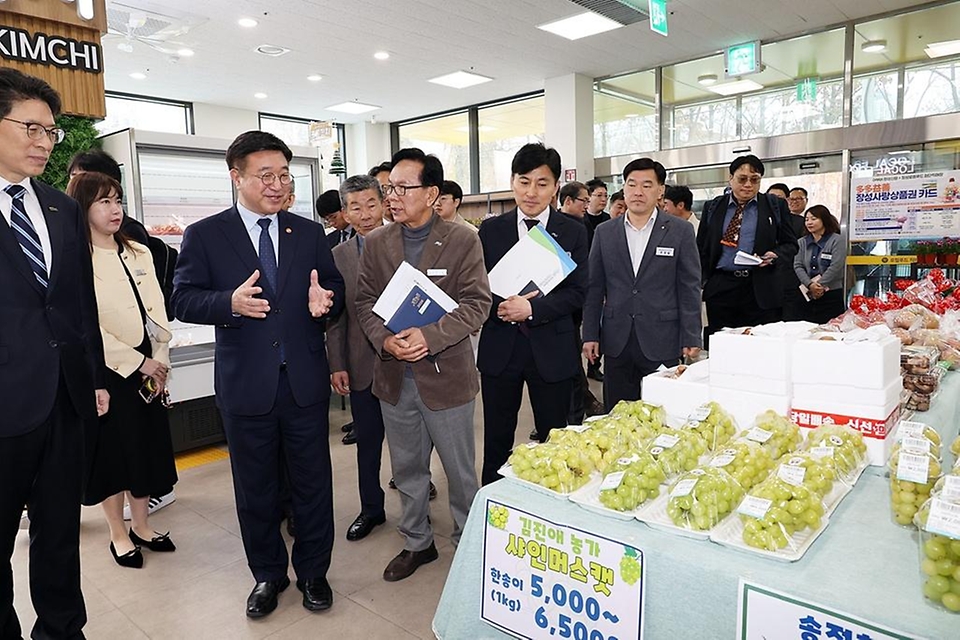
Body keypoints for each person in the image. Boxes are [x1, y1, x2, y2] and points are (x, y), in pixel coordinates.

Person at [172, 130, 344, 618]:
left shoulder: (307, 232)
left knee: (313, 483)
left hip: (305, 381)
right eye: (265, 175)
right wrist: (227, 302)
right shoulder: (206, 234)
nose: (277, 184)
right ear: (237, 177)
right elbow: (182, 298)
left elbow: (331, 287)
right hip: (247, 384)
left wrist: (325, 302)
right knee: (255, 488)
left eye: (284, 174)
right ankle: (268, 574)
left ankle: (314, 571)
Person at [0, 67, 109, 640]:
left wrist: (90, 378)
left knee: (60, 535)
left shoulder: (61, 207)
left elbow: (77, 304)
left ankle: (64, 631)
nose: (45, 142)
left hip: (64, 402)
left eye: (51, 132)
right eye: (32, 128)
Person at [355, 148, 490, 582]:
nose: (392, 197)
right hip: (395, 378)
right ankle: (417, 542)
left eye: (402, 187)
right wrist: (387, 341)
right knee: (407, 470)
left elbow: (477, 304)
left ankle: (470, 545)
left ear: (432, 193)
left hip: (445, 377)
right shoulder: (377, 243)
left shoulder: (462, 238)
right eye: (388, 188)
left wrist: (428, 337)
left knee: (458, 471)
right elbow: (364, 304)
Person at [67, 172, 179, 569]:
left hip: (150, 365)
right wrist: (137, 362)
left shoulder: (138, 251)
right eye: (104, 202)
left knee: (145, 449)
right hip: (108, 370)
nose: (115, 210)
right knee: (113, 456)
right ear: (83, 208)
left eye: (118, 201)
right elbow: (85, 327)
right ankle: (118, 533)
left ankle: (143, 525)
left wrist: (160, 357)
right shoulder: (75, 259)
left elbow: (157, 309)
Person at [477, 143, 588, 485]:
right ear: (512, 182)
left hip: (551, 350)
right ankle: (492, 511)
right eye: (524, 181)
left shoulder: (573, 231)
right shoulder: (490, 231)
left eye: (542, 183)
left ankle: (552, 515)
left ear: (556, 186)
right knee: (497, 439)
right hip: (501, 349)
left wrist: (532, 308)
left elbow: (579, 292)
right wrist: (501, 308)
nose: (531, 192)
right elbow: (477, 290)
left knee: (555, 441)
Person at [583, 158, 702, 411]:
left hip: (663, 337)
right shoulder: (605, 232)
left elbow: (689, 286)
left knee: (663, 413)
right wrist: (591, 334)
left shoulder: (679, 231)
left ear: (661, 191)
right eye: (632, 184)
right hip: (617, 339)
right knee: (617, 414)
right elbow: (594, 287)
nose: (638, 192)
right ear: (624, 188)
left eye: (647, 185)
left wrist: (691, 334)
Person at [327, 175, 389, 542]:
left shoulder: (406, 242)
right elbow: (337, 320)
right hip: (362, 363)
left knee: (412, 443)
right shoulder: (338, 256)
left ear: (383, 204)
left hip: (408, 361)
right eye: (355, 207)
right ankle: (371, 508)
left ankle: (417, 496)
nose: (365, 214)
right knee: (368, 442)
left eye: (370, 205)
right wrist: (337, 364)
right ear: (345, 213)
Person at [696, 155, 797, 341]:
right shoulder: (713, 207)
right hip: (721, 287)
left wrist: (774, 254)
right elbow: (701, 247)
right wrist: (704, 282)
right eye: (742, 179)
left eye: (754, 179)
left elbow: (791, 244)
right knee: (722, 344)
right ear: (731, 178)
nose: (748, 185)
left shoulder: (774, 205)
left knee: (759, 346)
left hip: (760, 287)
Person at [794, 205, 846, 324]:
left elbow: (836, 265)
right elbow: (798, 265)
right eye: (806, 219)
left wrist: (820, 285)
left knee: (830, 330)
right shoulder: (801, 242)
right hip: (807, 294)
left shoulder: (837, 240)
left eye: (814, 218)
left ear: (824, 219)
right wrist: (810, 284)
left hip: (831, 293)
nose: (809, 222)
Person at [584, 179, 609, 382]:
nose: (603, 199)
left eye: (605, 196)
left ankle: (595, 366)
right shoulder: (580, 222)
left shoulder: (609, 222)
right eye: (598, 195)